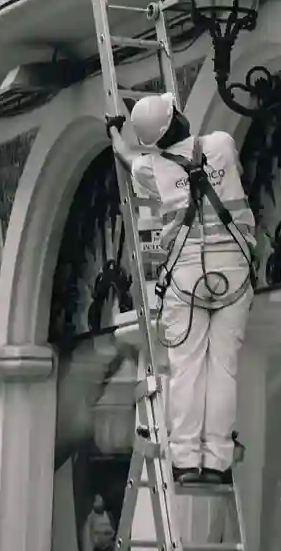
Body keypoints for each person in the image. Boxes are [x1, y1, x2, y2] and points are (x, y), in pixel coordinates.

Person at [106, 93, 256, 486]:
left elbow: (126, 156)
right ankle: (219, 461)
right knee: (223, 368)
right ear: (178, 117)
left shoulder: (151, 167)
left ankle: (187, 461)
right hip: (234, 273)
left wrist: (115, 131)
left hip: (186, 277)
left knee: (188, 370)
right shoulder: (222, 143)